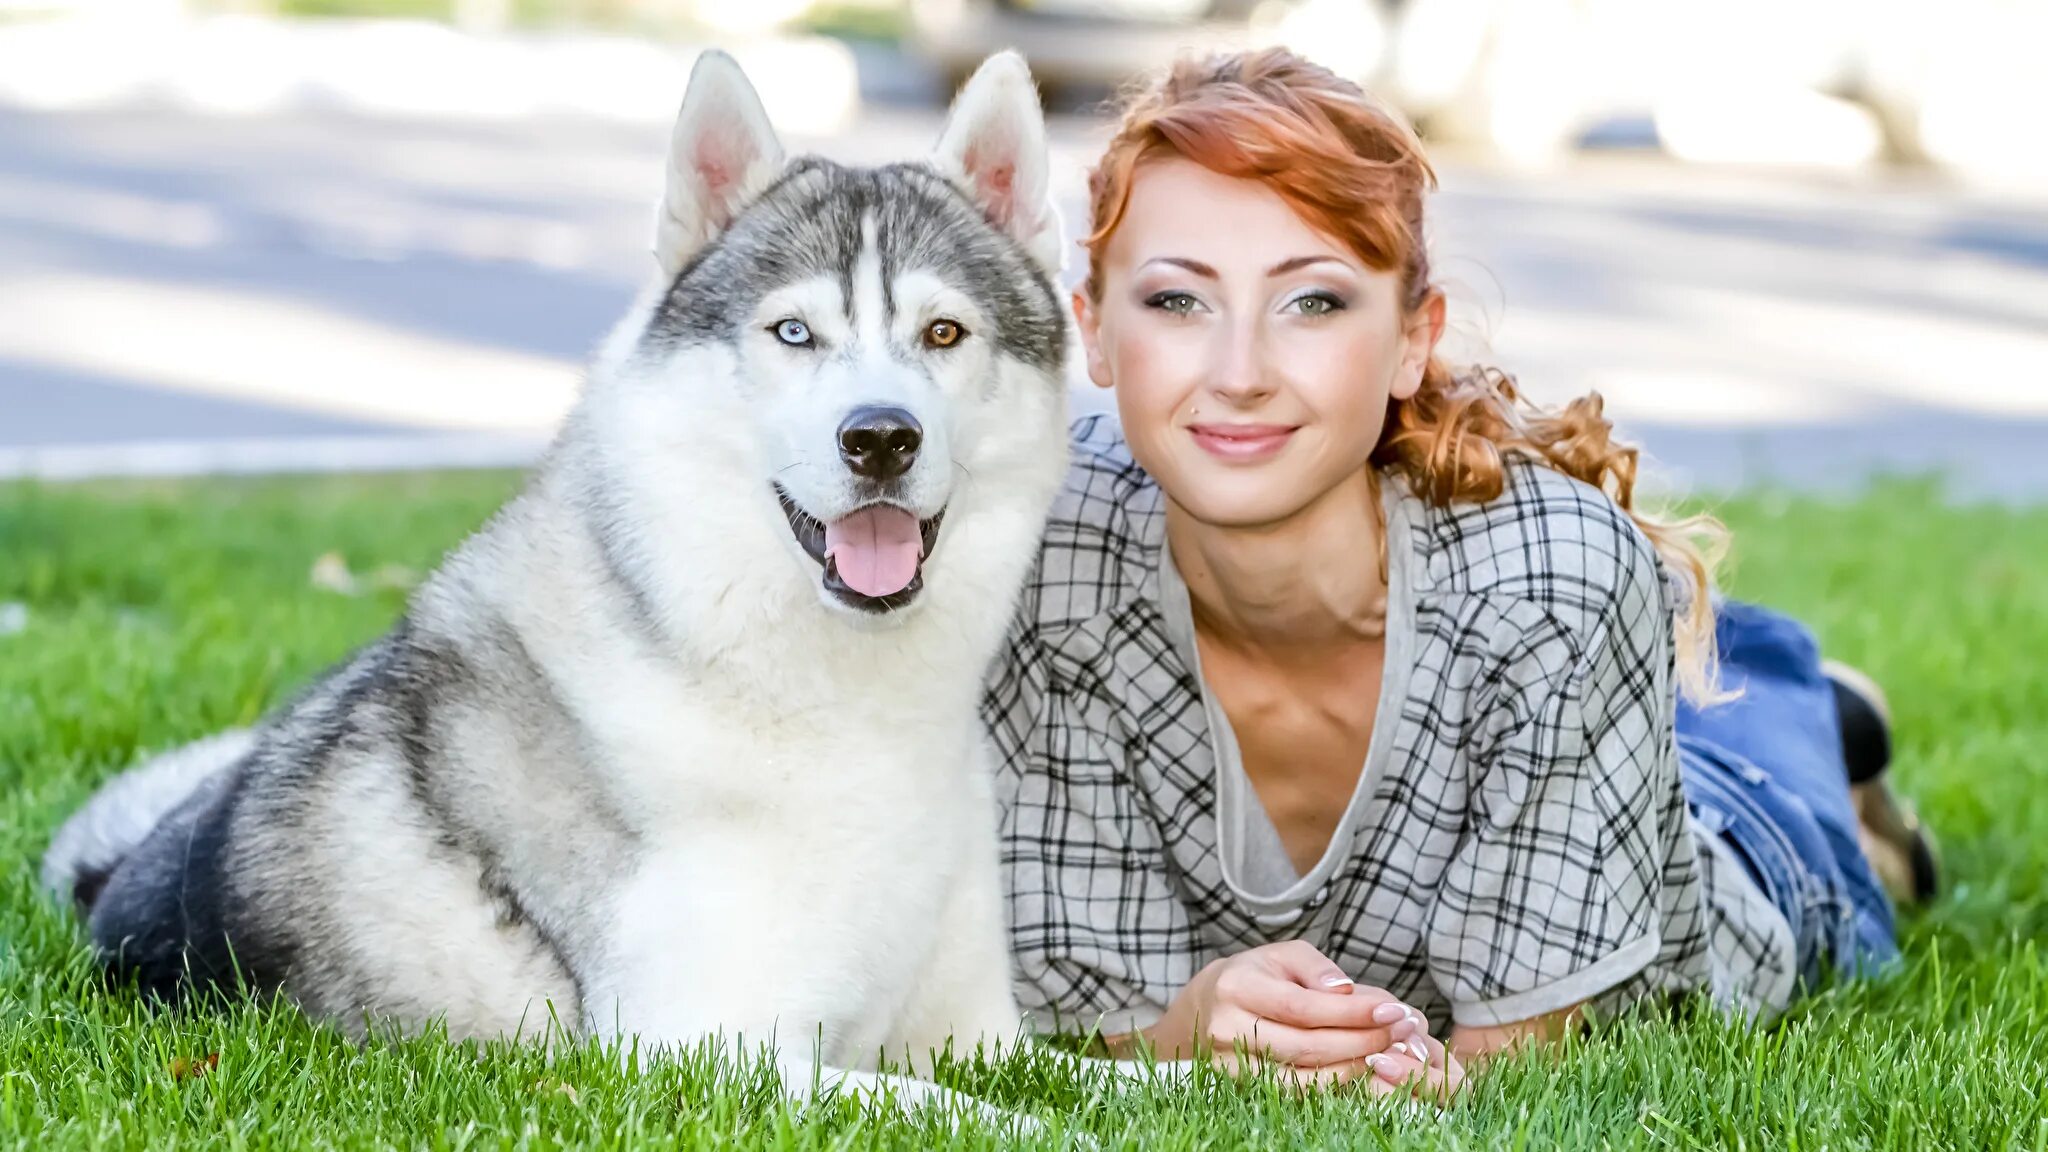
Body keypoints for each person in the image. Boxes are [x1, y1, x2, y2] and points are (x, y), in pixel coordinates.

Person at [981, 48, 1938, 1100]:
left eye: (1310, 304)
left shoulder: (1551, 588)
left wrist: (1407, 1079)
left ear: (1409, 341)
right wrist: (1187, 1032)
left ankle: (1801, 713)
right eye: (1175, 302)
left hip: (1729, 862)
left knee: (1820, 845)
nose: (1239, 373)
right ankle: (1760, 679)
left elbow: (1509, 1075)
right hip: (1537, 716)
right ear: (1092, 331)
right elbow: (1083, 1025)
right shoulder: (1034, 555)